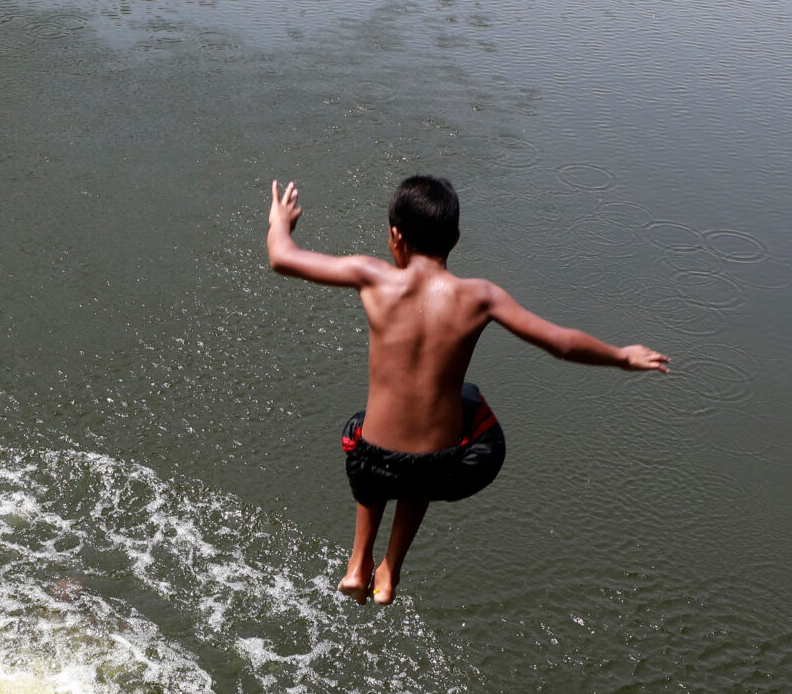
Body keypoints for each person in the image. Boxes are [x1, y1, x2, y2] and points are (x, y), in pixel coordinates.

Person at [267, 174, 670, 604]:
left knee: (364, 432)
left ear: (395, 236)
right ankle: (390, 570)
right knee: (459, 414)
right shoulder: (480, 297)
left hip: (370, 463)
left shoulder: (372, 277)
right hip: (439, 467)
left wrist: (281, 222)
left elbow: (282, 258)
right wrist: (622, 356)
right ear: (456, 239)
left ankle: (358, 561)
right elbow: (561, 343)